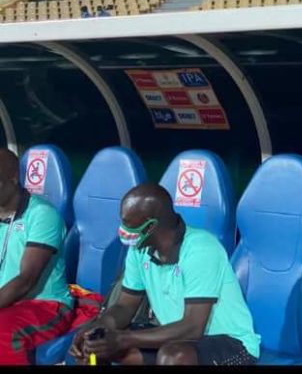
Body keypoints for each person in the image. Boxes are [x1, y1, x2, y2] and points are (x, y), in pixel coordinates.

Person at [69, 184, 260, 366]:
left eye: (127, 223)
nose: (123, 229)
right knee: (98, 346)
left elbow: (193, 328)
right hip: (176, 339)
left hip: (233, 345)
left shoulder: (201, 249)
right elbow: (124, 306)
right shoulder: (139, 249)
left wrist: (122, 339)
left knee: (173, 356)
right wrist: (97, 328)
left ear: (150, 226)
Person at [0, 149, 75, 365]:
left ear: (13, 178)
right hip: (6, 302)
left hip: (44, 304)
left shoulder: (42, 214)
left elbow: (26, 279)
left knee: (4, 333)